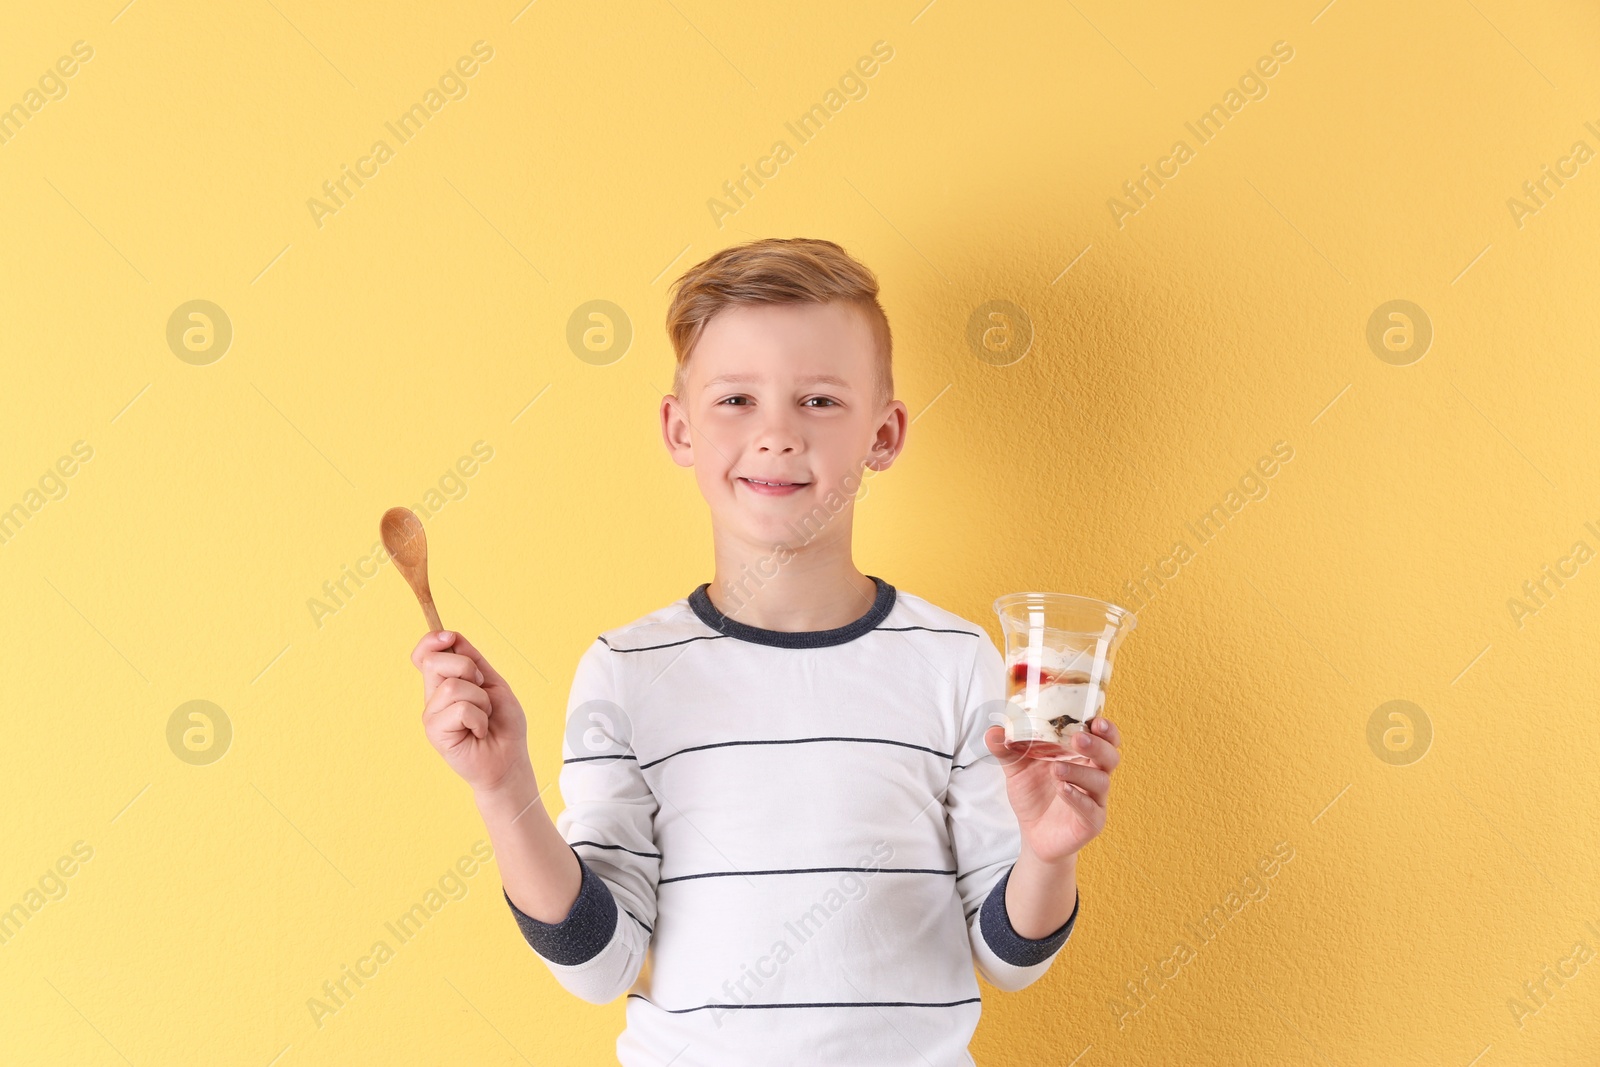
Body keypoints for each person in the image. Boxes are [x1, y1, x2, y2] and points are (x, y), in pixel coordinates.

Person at [409, 237, 1124, 1065]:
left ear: (884, 434)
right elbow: (597, 966)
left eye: (819, 400)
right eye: (737, 400)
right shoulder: (628, 671)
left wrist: (1046, 853)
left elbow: (1009, 958)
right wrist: (503, 791)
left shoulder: (957, 660)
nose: (777, 434)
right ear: (679, 430)